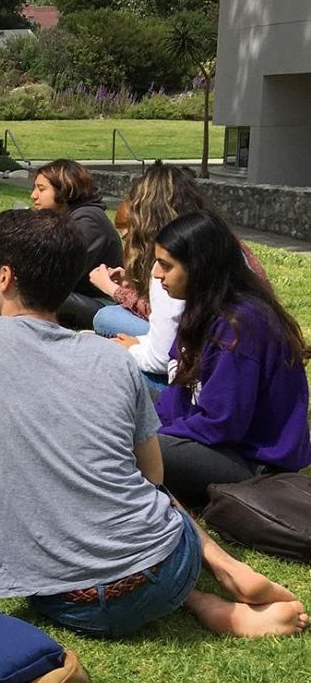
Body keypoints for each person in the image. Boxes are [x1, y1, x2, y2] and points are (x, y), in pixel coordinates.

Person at [0, 208, 307, 640]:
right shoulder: (113, 359)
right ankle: (213, 589)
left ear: (5, 276)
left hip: (68, 601)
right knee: (134, 488)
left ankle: (213, 599)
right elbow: (151, 478)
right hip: (170, 566)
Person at [152, 211, 311, 510]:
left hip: (254, 463)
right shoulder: (200, 309)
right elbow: (178, 389)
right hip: (213, 436)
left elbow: (223, 424)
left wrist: (153, 433)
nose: (157, 274)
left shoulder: (241, 325)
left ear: (199, 268)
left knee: (137, 446)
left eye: (166, 266)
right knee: (127, 393)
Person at [90, 165, 266, 388]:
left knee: (108, 326)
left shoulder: (178, 261)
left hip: (200, 372)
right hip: (223, 359)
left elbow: (163, 357)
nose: (156, 272)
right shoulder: (221, 242)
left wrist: (130, 348)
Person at [28, 160, 123, 329]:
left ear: (65, 190)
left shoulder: (88, 221)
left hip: (102, 304)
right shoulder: (67, 218)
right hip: (78, 297)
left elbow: (60, 274)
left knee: (35, 293)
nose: (33, 195)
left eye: (41, 189)